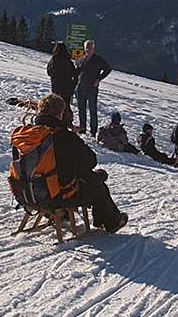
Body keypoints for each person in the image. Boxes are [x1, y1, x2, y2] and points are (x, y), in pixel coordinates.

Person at [12, 93, 128, 233]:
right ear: (60, 114)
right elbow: (90, 160)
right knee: (99, 188)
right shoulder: (63, 136)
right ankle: (112, 222)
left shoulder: (27, 135)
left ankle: (58, 215)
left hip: (26, 193)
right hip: (58, 196)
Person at [75, 40, 112, 137]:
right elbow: (76, 72)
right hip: (80, 87)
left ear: (93, 49)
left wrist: (98, 79)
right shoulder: (80, 60)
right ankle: (82, 128)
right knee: (81, 109)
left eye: (89, 48)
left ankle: (93, 131)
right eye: (86, 47)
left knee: (93, 110)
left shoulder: (98, 60)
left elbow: (108, 69)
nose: (87, 49)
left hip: (92, 88)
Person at [46, 42, 78, 128]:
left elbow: (49, 72)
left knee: (56, 104)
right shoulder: (67, 61)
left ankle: (56, 121)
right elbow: (74, 73)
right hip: (67, 86)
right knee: (66, 105)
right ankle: (67, 122)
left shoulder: (53, 60)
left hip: (56, 86)